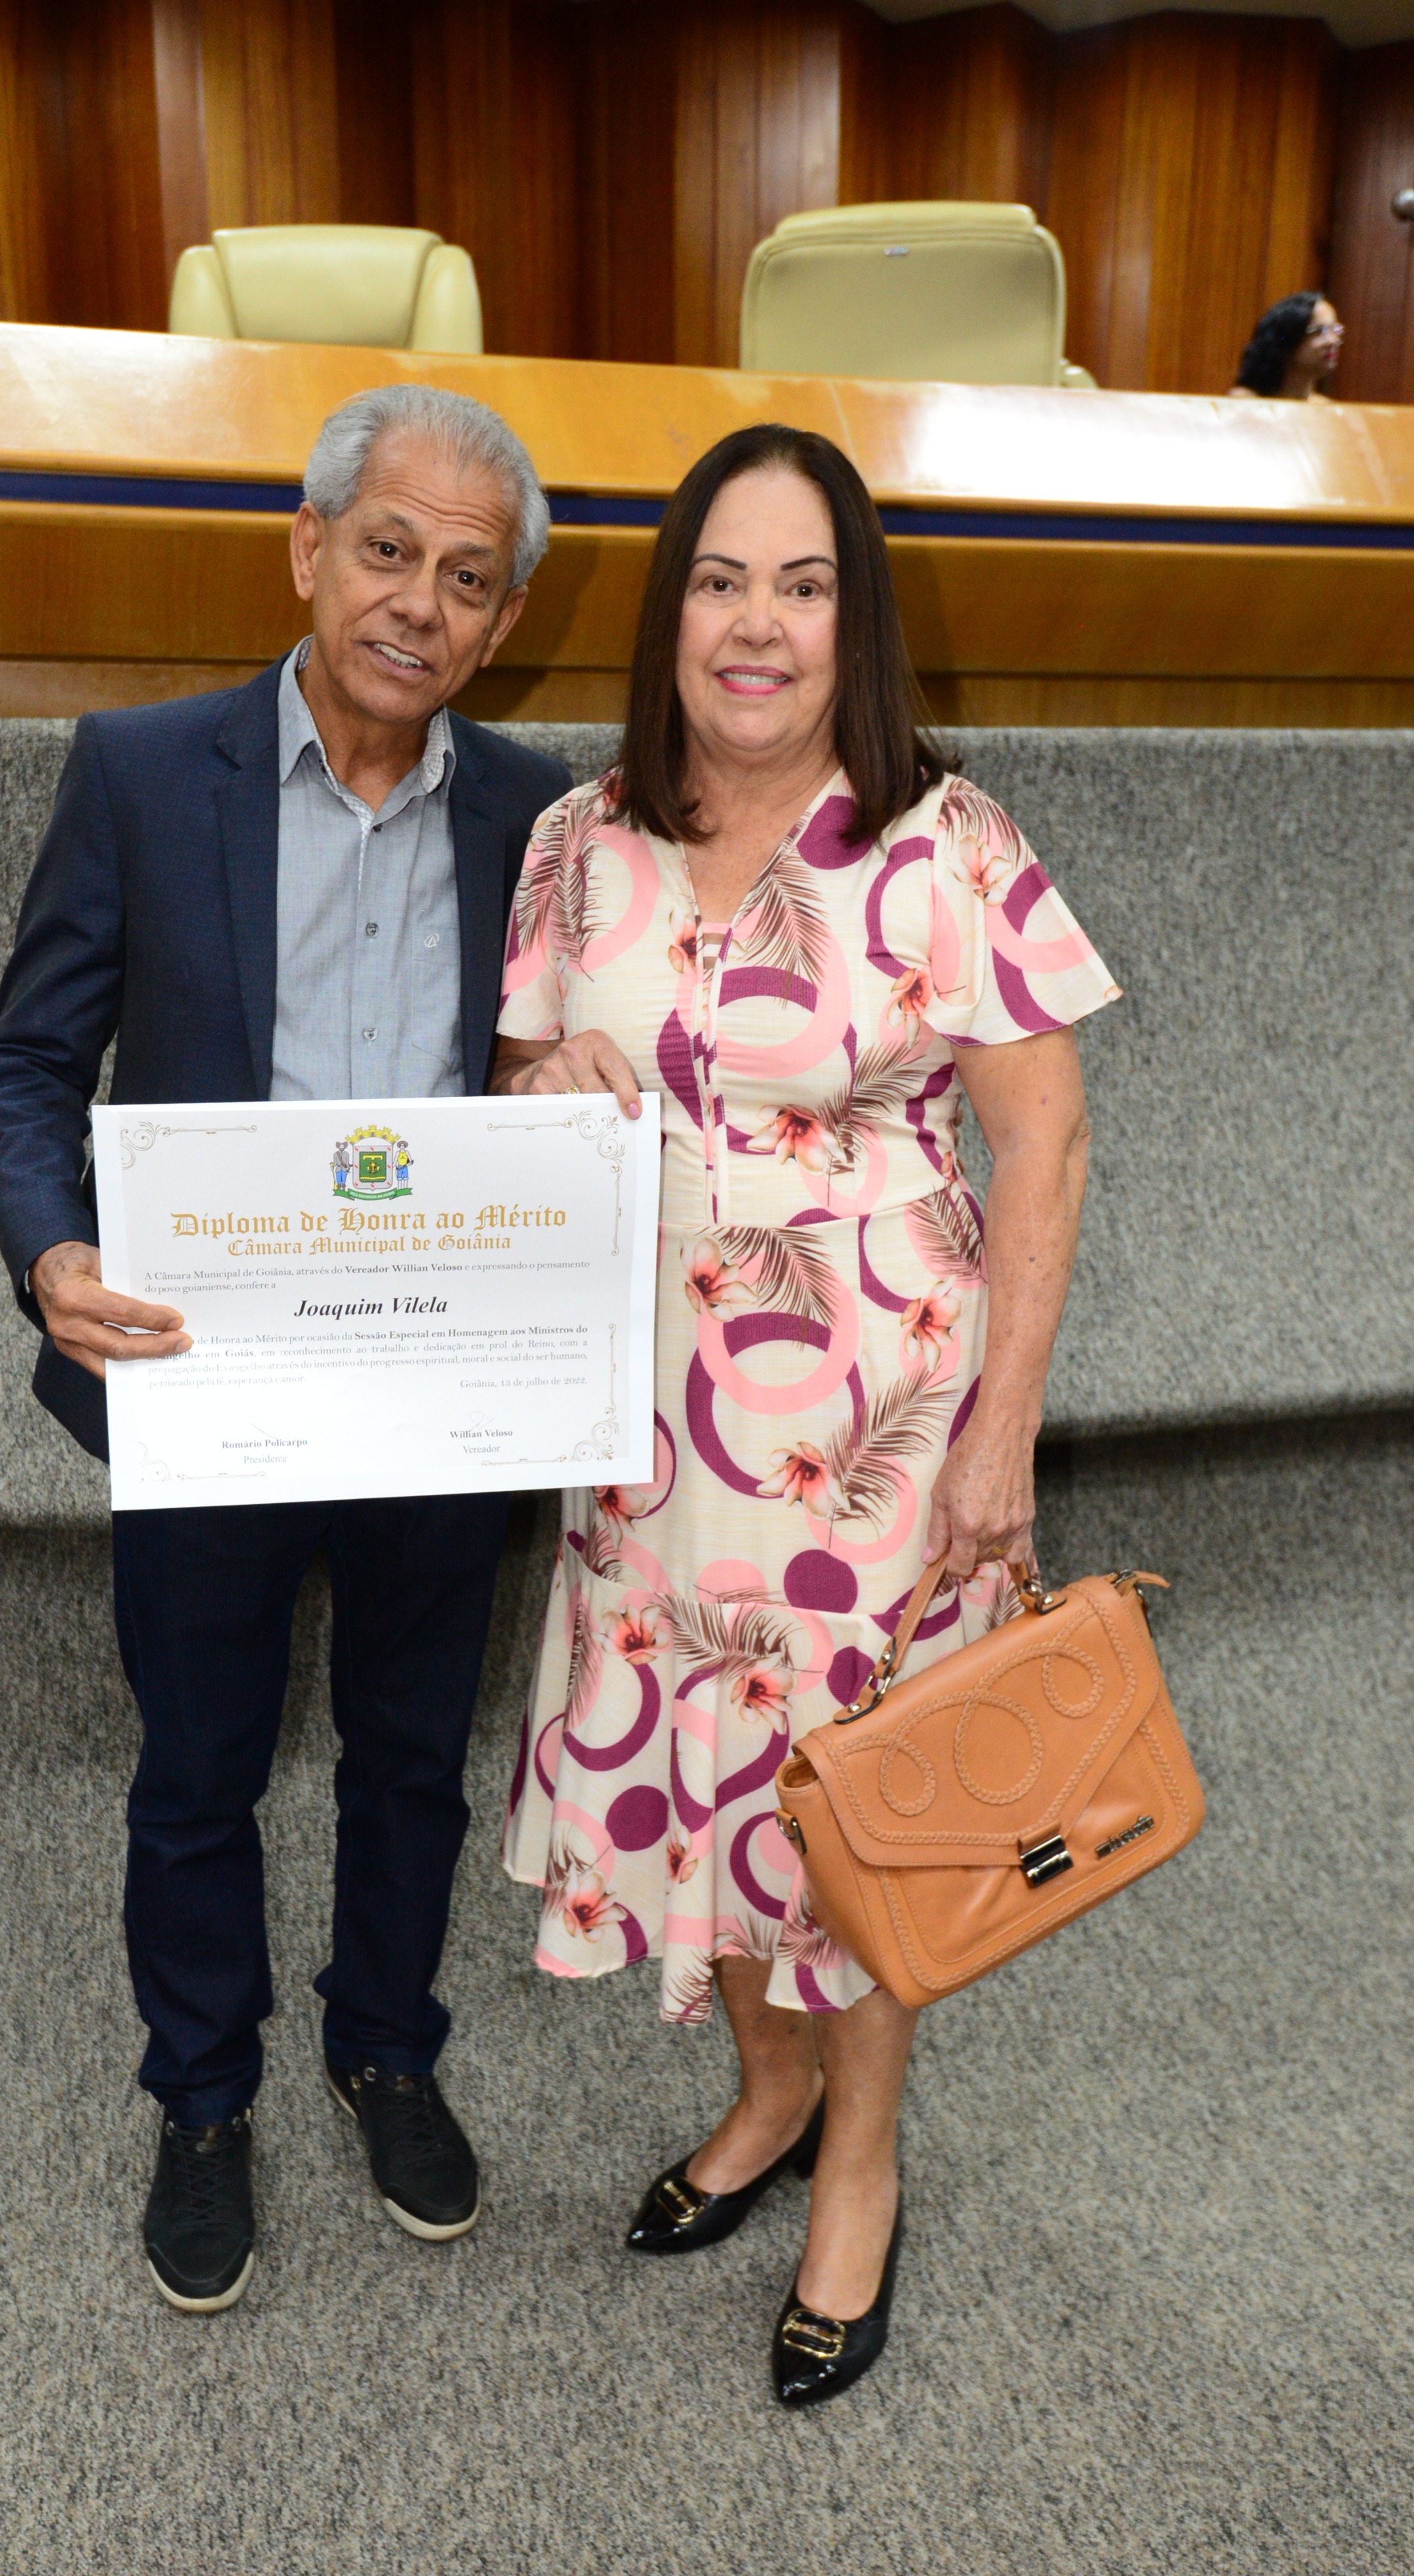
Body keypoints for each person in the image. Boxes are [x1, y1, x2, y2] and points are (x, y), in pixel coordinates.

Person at [491, 423, 1119, 2406]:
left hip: (875, 1440)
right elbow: (514, 1098)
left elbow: (1042, 1146)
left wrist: (1000, 1435)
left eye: (800, 583)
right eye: (717, 579)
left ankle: (859, 2163)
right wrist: (535, 1087)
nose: (753, 623)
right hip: (647, 1435)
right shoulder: (574, 842)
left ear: (853, 622)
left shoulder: (944, 843)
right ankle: (767, 2095)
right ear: (666, 612)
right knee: (710, 1784)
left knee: (856, 1818)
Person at [0, 384, 569, 2313]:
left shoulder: (542, 814)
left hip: (440, 1385)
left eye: (465, 579)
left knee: (410, 1757)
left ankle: (384, 2049)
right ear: (307, 549)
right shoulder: (146, 773)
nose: (417, 603)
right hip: (204, 1379)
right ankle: (203, 2095)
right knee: (197, 1765)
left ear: (502, 620)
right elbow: (27, 1066)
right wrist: (50, 1248)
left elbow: (558, 1075)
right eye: (386, 550)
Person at [1229, 291, 1344, 400]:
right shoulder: (1245, 402)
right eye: (1319, 331)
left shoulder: (1327, 408)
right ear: (1288, 339)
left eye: (1335, 330)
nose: (1333, 341)